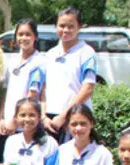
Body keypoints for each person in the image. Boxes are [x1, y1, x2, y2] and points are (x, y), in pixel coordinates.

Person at [42, 8, 98, 143]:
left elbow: (88, 89)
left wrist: (64, 116)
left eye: (71, 26)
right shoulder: (50, 54)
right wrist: (43, 117)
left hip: (75, 118)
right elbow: (43, 88)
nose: (66, 30)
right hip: (50, 120)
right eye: (62, 26)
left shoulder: (86, 53)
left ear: (79, 27)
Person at [0, 19, 44, 161]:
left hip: (22, 125)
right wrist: (1, 118)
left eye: (28, 34)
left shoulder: (39, 62)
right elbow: (6, 91)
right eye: (20, 34)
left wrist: (15, 120)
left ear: (35, 36)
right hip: (7, 124)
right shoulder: (12, 61)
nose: (23, 38)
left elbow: (32, 95)